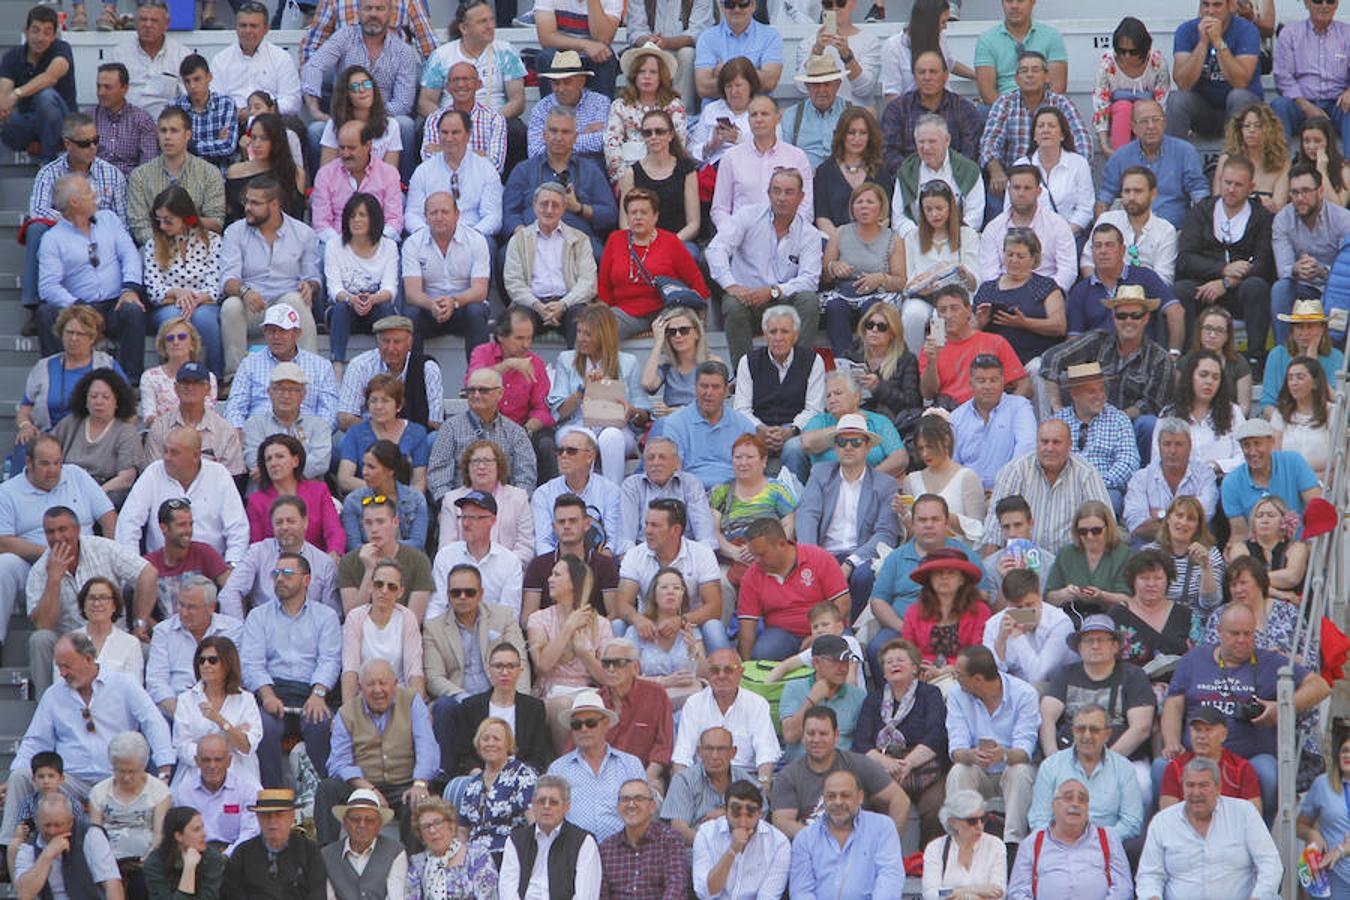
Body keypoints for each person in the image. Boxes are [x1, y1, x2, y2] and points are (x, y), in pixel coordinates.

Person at [2, 632, 173, 847]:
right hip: (69, 780)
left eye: (67, 666)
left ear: (88, 659)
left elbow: (153, 722)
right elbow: (35, 741)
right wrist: (15, 773)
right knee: (21, 777)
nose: (62, 673)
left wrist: (165, 768)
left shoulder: (123, 684)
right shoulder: (54, 695)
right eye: (59, 666)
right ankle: (8, 847)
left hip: (115, 778)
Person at [1163, 603, 1330, 812]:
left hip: (1251, 757)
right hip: (1197, 752)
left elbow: (1320, 686)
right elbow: (1174, 703)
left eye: (1248, 633)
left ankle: (1263, 833)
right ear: (1219, 633)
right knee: (1161, 769)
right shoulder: (1194, 659)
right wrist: (1171, 741)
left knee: (1267, 773)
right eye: (1234, 633)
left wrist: (1281, 707)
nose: (1242, 640)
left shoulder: (1269, 661)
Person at [26, 506, 158, 692]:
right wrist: (54, 579)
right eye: (50, 532)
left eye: (63, 529)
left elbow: (148, 573)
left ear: (77, 530)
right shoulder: (39, 571)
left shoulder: (103, 548)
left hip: (115, 635)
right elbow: (43, 625)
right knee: (39, 639)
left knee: (149, 650)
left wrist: (140, 622)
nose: (57, 537)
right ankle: (47, 707)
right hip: (69, 642)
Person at [1037, 287, 1174, 461]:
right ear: (1113, 318)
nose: (1128, 321)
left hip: (1130, 424)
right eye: (1121, 316)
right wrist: (1057, 408)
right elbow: (1052, 358)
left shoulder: (1160, 358)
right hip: (1087, 419)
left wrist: (1114, 420)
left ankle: (1140, 476)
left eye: (1135, 315)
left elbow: (1152, 405)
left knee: (1149, 424)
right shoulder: (1097, 340)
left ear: (1146, 318)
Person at [239, 553, 341, 787]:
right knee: (264, 727)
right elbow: (252, 662)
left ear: (306, 580)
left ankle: (320, 796)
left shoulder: (326, 616)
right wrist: (266, 695)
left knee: (321, 725)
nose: (279, 579)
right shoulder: (258, 616)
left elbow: (330, 659)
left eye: (287, 574)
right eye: (276, 574)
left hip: (312, 691)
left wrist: (318, 694)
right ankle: (273, 797)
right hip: (273, 691)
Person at [35, 174, 147, 382]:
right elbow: (48, 286)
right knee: (46, 312)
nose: (95, 194)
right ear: (74, 203)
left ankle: (130, 382)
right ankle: (58, 379)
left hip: (114, 303)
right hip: (77, 307)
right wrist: (77, 306)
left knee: (132, 310)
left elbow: (129, 254)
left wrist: (130, 289)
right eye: (88, 192)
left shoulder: (109, 220)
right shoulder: (52, 239)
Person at [315, 662, 438, 848]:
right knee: (327, 789)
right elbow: (338, 763)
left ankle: (414, 868)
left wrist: (420, 783)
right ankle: (325, 858)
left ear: (395, 683)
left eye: (383, 683)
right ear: (359, 687)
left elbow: (427, 746)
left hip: (404, 784)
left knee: (417, 801)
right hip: (362, 785)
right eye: (370, 684)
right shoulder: (346, 713)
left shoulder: (412, 701)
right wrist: (369, 789)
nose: (377, 690)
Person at [22, 112, 129, 324]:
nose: (92, 147)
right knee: (36, 229)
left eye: (96, 141)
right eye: (85, 143)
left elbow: (123, 221)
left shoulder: (112, 173)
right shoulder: (49, 172)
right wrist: (74, 222)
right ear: (68, 144)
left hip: (103, 238)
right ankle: (35, 306)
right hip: (65, 240)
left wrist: (93, 224)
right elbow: (38, 210)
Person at [793, 409, 902, 604]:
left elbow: (886, 533)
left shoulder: (885, 484)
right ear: (835, 448)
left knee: (864, 576)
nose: (848, 447)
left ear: (867, 447)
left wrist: (852, 562)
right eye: (842, 442)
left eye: (856, 442)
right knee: (808, 576)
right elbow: (807, 516)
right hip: (825, 554)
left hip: (862, 555)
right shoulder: (820, 473)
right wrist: (815, 558)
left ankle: (851, 631)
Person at [217, 178, 323, 378]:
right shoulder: (235, 232)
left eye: (255, 203)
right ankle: (235, 376)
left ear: (274, 205)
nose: (247, 208)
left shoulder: (303, 233)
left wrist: (310, 286)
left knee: (297, 300)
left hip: (286, 304)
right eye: (247, 202)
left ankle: (310, 374)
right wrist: (245, 292)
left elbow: (313, 277)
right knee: (231, 305)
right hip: (251, 306)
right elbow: (227, 279)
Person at [1137, 757, 1283, 897]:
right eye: (1190, 785)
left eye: (1203, 785)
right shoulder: (1162, 821)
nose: (1196, 793)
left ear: (1218, 788)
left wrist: (1259, 897)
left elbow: (1270, 863)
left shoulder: (1244, 812)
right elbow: (1149, 876)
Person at [853, 638, 948, 846]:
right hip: (885, 766)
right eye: (889, 662)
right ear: (883, 672)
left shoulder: (930, 694)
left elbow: (936, 734)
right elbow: (861, 743)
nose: (894, 665)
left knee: (935, 805)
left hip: (923, 765)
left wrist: (908, 763)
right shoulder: (873, 699)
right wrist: (888, 764)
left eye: (900, 660)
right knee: (872, 799)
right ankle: (881, 855)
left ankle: (926, 860)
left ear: (914, 667)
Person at [300, 0, 418, 165]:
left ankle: (403, 186)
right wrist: (314, 110)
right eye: (368, 8)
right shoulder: (344, 37)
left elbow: (403, 103)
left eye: (380, 9)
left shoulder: (403, 51)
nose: (373, 14)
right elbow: (313, 65)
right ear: (358, 13)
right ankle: (318, 188)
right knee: (315, 130)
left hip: (383, 118)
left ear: (390, 14)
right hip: (345, 117)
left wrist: (370, 114)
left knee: (405, 125)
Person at [945, 645, 1039, 849]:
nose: (955, 678)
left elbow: (1024, 751)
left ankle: (1013, 844)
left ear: (977, 679)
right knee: (959, 771)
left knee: (1020, 772)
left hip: (1009, 768)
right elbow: (956, 749)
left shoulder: (1024, 694)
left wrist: (1003, 755)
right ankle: (961, 840)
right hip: (977, 770)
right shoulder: (956, 695)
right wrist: (972, 755)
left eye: (958, 675)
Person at [979, 420, 1111, 557]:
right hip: (1022, 561)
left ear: (1070, 445)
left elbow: (1105, 520)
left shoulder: (1086, 473)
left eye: (1056, 442)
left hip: (1072, 564)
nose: (1049, 448)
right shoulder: (1015, 470)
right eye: (1044, 442)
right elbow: (995, 524)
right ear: (1036, 443)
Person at [979, 52, 1092, 212]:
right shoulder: (1005, 103)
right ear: (1016, 79)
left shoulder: (1061, 103)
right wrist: (996, 170)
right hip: (1015, 181)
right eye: (1024, 71)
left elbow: (1083, 142)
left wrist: (1075, 171)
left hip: (1058, 176)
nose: (1029, 75)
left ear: (1046, 76)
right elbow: (989, 142)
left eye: (1035, 70)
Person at [502, 108, 617, 259]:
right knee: (505, 256)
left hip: (578, 242)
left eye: (565, 132)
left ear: (575, 137)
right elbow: (509, 213)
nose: (558, 137)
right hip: (531, 240)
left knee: (599, 255)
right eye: (553, 131)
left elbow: (610, 215)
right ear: (544, 135)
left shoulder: (591, 171)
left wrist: (579, 208)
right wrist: (521, 232)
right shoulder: (523, 170)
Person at [528, 555, 614, 750]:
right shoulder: (539, 619)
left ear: (575, 583)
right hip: (552, 692)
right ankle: (565, 763)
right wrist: (568, 628)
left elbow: (607, 678)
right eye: (551, 574)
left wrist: (584, 653)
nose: (550, 579)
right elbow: (542, 666)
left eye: (557, 575)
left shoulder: (601, 624)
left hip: (589, 692)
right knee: (563, 705)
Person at [598, 187, 708, 338]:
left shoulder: (670, 242)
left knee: (679, 328)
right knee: (599, 330)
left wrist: (697, 316)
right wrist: (606, 312)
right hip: (625, 312)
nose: (638, 217)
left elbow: (696, 281)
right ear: (627, 217)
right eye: (633, 213)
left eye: (644, 212)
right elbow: (604, 285)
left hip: (665, 311)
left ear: (655, 216)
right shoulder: (615, 240)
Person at [735, 518, 849, 662]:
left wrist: (820, 635)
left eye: (762, 554)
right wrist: (746, 667)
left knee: (840, 650)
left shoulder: (819, 558)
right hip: (781, 635)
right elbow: (747, 626)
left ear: (782, 544)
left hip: (825, 627)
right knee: (763, 653)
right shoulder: (752, 576)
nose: (756, 560)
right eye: (754, 555)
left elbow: (843, 602)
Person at [502, 184, 598, 350]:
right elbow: (513, 282)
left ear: (564, 208)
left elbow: (588, 283)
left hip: (569, 303)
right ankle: (517, 372)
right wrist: (538, 306)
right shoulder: (519, 240)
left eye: (555, 205)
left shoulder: (579, 239)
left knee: (582, 319)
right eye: (544, 204)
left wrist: (563, 304)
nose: (549, 210)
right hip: (532, 304)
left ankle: (578, 373)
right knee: (514, 323)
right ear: (534, 206)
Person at [400, 191, 492, 365]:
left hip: (462, 307)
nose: (439, 217)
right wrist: (432, 305)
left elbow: (480, 290)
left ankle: (478, 377)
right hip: (429, 309)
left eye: (445, 212)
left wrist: (453, 302)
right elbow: (412, 294)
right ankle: (412, 378)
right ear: (425, 217)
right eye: (433, 213)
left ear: (457, 214)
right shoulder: (413, 243)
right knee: (410, 314)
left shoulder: (476, 241)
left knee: (476, 310)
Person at [1027, 704, 1143, 840]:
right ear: (1073, 731)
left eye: (1094, 730)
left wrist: (1094, 839)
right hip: (1059, 848)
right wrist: (1063, 840)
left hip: (1106, 846)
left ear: (1107, 734)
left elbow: (1132, 823)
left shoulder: (1124, 768)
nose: (1087, 735)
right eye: (1081, 729)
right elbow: (1038, 819)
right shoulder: (1051, 765)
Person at [141, 197, 225, 385]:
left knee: (204, 318)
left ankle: (214, 379)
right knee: (172, 318)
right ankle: (170, 381)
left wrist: (194, 299)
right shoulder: (153, 245)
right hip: (168, 306)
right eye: (158, 220)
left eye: (168, 220)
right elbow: (155, 292)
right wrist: (178, 293)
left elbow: (216, 287)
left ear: (186, 218)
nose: (162, 226)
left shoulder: (212, 241)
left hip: (204, 302)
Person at [319, 189, 402, 377]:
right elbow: (334, 289)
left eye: (362, 215)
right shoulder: (334, 245)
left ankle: (390, 368)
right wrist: (352, 300)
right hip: (345, 310)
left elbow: (390, 288)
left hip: (377, 308)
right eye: (352, 216)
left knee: (386, 308)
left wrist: (372, 299)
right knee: (339, 308)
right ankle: (337, 366)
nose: (356, 220)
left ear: (374, 219)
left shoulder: (388, 246)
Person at [546, 690, 648, 841]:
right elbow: (550, 816)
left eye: (591, 723)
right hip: (573, 852)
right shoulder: (558, 769)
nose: (584, 729)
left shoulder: (630, 764)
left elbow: (644, 811)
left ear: (606, 724)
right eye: (576, 725)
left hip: (622, 852)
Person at [787, 769, 905, 896]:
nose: (838, 802)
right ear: (823, 799)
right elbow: (801, 891)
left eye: (845, 795)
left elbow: (890, 878)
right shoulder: (805, 838)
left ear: (860, 797)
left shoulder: (882, 827)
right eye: (831, 796)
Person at [1008, 779, 1132, 900]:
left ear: (1088, 808)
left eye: (1082, 800)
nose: (1075, 804)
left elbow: (1123, 888)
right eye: (1068, 798)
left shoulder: (1108, 838)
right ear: (1054, 805)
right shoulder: (1032, 843)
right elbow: (1017, 892)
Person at [672, 649, 781, 786]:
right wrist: (681, 789)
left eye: (729, 670)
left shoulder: (757, 704)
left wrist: (763, 786)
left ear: (740, 673)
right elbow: (682, 756)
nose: (721, 675)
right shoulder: (694, 703)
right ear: (708, 674)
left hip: (746, 780)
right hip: (704, 780)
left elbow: (766, 754)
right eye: (714, 670)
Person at [1096, 100, 1210, 229]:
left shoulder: (1185, 152)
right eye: (1144, 121)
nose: (1151, 126)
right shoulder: (1120, 157)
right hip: (1131, 234)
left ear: (1164, 123)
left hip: (1175, 232)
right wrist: (1101, 231)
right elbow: (1104, 199)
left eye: (1156, 120)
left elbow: (1199, 193)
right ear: (1133, 127)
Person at [710, 96, 814, 235]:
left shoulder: (797, 157)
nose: (759, 119)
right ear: (748, 120)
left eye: (764, 114)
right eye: (754, 115)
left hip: (788, 238)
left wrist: (787, 233)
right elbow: (719, 209)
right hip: (742, 238)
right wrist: (732, 233)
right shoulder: (731, 157)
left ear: (777, 118)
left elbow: (805, 207)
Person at [127, 108, 226, 246]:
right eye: (163, 131)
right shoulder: (140, 176)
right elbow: (139, 226)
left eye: (174, 130)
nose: (167, 136)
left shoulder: (209, 173)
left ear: (187, 135)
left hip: (198, 247)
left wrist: (186, 222)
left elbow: (216, 222)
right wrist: (165, 243)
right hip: (156, 248)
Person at [1273, 166, 1350, 344]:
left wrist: (1322, 270)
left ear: (1321, 191)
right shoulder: (1283, 219)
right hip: (1302, 285)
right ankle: (1283, 352)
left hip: (1336, 289)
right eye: (1295, 193)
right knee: (1280, 288)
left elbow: (1346, 270)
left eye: (1306, 191)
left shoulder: (1343, 219)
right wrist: (1295, 268)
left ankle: (1335, 356)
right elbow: (1282, 269)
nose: (1300, 198)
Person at [1221, 417, 1322, 554]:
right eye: (1246, 445)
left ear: (1271, 442)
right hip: (1257, 557)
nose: (1252, 451)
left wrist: (1308, 546)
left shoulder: (1293, 462)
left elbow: (1317, 507)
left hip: (1298, 548)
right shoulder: (1231, 483)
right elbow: (1240, 533)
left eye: (1257, 444)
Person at [919, 285, 1030, 408]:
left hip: (992, 410)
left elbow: (1024, 385)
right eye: (942, 310)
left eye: (955, 308)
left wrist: (1006, 412)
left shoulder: (995, 342)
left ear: (968, 310)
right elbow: (928, 394)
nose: (948, 315)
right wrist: (932, 361)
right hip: (951, 412)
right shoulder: (931, 347)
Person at [88, 732, 173, 892]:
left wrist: (147, 860)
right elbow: (95, 836)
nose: (126, 778)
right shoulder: (99, 792)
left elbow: (159, 835)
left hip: (145, 861)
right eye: (121, 771)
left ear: (143, 767)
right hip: (107, 863)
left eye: (132, 771)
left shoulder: (159, 791)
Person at [450, 642, 550, 777]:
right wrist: (481, 776)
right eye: (498, 666)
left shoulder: (534, 708)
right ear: (488, 670)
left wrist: (517, 777)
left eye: (511, 666)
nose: (504, 672)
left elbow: (538, 756)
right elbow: (464, 754)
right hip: (480, 777)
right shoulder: (470, 707)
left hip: (520, 779)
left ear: (520, 670)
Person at [1167, 0, 1264, 139]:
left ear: (1231, 6)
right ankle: (1175, 157)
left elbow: (1240, 82)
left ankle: (1236, 158)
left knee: (1238, 96)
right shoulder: (1186, 30)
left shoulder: (1247, 30)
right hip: (1204, 111)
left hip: (1243, 110)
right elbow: (1183, 84)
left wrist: (1218, 41)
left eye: (1217, 5)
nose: (1210, 11)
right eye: (1206, 5)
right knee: (1177, 99)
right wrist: (1202, 43)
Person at [975, 227, 1068, 369]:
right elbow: (969, 331)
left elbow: (1059, 326)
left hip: (1033, 360)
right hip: (993, 363)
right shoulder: (987, 289)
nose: (1013, 260)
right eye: (1009, 254)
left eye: (1020, 256)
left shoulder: (1046, 286)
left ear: (1033, 258)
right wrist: (980, 323)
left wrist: (1024, 323)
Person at [498, 776, 602, 900]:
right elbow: (507, 890)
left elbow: (586, 895)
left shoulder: (584, 842)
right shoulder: (516, 840)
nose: (546, 806)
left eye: (553, 802)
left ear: (566, 807)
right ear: (533, 805)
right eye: (541, 801)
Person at [1051, 363, 1138, 511]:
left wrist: (1095, 483)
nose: (1100, 396)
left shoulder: (1119, 419)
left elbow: (1129, 463)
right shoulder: (1058, 421)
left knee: (1111, 499)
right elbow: (1049, 460)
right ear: (1074, 394)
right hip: (1065, 488)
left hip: (1105, 488)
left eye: (1102, 390)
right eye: (1092, 391)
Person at [48, 369, 140, 509]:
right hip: (64, 487)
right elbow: (46, 450)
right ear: (85, 400)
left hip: (104, 494)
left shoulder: (126, 432)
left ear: (117, 401)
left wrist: (94, 495)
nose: (99, 402)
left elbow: (126, 478)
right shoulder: (70, 423)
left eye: (105, 397)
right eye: (93, 396)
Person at [337, 313, 444, 432]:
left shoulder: (427, 367)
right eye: (385, 341)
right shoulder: (360, 366)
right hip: (371, 437)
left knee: (434, 439)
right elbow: (345, 419)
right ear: (377, 341)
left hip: (416, 439)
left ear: (409, 343)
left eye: (397, 342)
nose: (391, 348)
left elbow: (436, 422)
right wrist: (383, 433)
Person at [405, 111, 499, 245]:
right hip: (432, 238)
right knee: (411, 243)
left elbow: (493, 216)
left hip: (472, 236)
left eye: (455, 132)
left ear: (468, 135)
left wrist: (471, 236)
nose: (449, 138)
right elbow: (412, 214)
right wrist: (429, 235)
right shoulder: (423, 171)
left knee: (488, 244)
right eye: (444, 132)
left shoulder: (486, 169)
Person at [528, 431, 626, 559]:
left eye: (571, 451)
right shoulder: (543, 494)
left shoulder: (610, 491)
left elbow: (612, 541)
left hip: (599, 562)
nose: (563, 455)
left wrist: (595, 564)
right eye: (560, 451)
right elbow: (543, 543)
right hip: (557, 565)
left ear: (590, 457)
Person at [882, 49, 980, 177]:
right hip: (908, 179)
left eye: (933, 72)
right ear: (914, 76)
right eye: (922, 72)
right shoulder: (897, 109)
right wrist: (918, 173)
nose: (927, 77)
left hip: (955, 178)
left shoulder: (964, 109)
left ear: (945, 76)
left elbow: (970, 153)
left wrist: (942, 174)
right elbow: (889, 151)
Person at [451, 717, 537, 860]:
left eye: (496, 739)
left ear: (508, 744)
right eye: (485, 739)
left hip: (510, 855)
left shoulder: (522, 775)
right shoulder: (473, 785)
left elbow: (534, 820)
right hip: (475, 859)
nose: (490, 743)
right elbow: (462, 829)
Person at [691, 779, 791, 899]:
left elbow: (768, 896)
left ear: (760, 813)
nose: (743, 822)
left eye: (750, 814)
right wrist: (732, 851)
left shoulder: (779, 843)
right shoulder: (706, 833)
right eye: (736, 813)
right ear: (725, 811)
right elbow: (705, 893)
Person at [337, 497, 434, 619]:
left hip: (403, 634)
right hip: (361, 634)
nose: (374, 529)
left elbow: (414, 619)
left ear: (395, 522)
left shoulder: (418, 560)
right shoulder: (348, 561)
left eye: (380, 522)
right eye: (368, 523)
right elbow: (352, 618)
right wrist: (369, 571)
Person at [950, 353, 1036, 491]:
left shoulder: (1020, 407)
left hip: (1011, 489)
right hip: (968, 493)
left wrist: (1004, 485)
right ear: (971, 383)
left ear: (1002, 382)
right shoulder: (956, 417)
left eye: (993, 380)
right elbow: (953, 464)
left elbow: (1027, 447)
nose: (988, 386)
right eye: (981, 381)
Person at [340, 559, 425, 699]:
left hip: (398, 698)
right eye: (378, 584)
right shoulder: (355, 617)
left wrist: (418, 711)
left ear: (400, 592)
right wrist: (347, 714)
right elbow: (350, 670)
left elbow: (414, 671)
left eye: (392, 587)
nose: (384, 591)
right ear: (370, 587)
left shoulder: (407, 618)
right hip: (365, 698)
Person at [0, 7, 76, 162]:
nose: (40, 38)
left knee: (46, 96)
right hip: (29, 123)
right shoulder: (12, 56)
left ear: (54, 36)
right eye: (35, 30)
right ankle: (37, 146)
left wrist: (16, 94)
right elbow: (4, 91)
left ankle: (48, 162)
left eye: (47, 32)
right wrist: (3, 105)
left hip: (62, 124)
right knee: (5, 119)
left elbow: (50, 77)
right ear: (26, 31)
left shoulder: (62, 49)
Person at [13, 793, 123, 900]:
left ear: (71, 822)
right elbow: (24, 895)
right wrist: (47, 855)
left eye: (58, 825)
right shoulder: (28, 846)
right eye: (47, 825)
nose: (52, 831)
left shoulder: (90, 835)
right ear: (36, 822)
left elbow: (111, 884)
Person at [245, 434, 344, 554]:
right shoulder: (256, 501)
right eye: (269, 459)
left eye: (280, 456)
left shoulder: (318, 491)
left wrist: (334, 552)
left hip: (319, 562)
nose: (273, 463)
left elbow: (333, 529)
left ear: (295, 461)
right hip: (276, 566)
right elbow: (257, 544)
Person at [1271, 0, 1350, 147]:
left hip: (1337, 105)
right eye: (1318, 1)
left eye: (1330, 1)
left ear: (1337, 4)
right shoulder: (1290, 33)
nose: (1324, 6)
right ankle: (1279, 166)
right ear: (1307, 3)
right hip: (1300, 104)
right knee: (1279, 105)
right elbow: (1283, 77)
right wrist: (1305, 106)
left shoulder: (1348, 34)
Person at [221, 788, 326, 898]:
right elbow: (231, 894)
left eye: (279, 815)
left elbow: (318, 893)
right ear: (258, 817)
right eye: (266, 815)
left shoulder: (309, 851)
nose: (272, 821)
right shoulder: (242, 853)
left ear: (292, 816)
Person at [1082, 168, 1179, 286]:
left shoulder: (1165, 230)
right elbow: (1088, 262)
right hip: (1104, 292)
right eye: (1127, 191)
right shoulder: (1106, 219)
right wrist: (1103, 289)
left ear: (1153, 194)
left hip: (1149, 297)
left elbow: (1164, 278)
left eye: (1138, 191)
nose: (1131, 197)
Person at [778, 635, 867, 762]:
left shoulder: (859, 696)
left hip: (841, 770)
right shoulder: (793, 688)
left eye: (846, 660)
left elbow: (863, 746)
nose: (843, 667)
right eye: (835, 661)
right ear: (816, 663)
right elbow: (790, 736)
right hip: (799, 769)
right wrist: (812, 700)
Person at [335, 378, 430, 498]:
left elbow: (419, 481)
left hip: (405, 501)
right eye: (373, 401)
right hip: (367, 499)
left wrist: (402, 499)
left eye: (385, 401)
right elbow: (344, 479)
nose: (378, 406)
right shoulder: (356, 432)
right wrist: (382, 491)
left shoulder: (416, 432)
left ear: (399, 405)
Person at [1039, 499, 1130, 623]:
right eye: (1083, 531)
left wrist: (1102, 596)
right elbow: (1049, 598)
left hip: (1113, 619)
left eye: (1096, 531)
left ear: (1108, 528)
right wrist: (1066, 593)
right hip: (1071, 619)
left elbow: (1128, 600)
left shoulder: (1123, 554)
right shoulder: (1066, 553)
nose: (1089, 536)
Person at [438, 439, 531, 561]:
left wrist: (500, 567)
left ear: (499, 466)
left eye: (487, 461)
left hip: (507, 572)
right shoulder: (451, 500)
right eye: (475, 461)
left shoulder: (519, 498)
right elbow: (446, 548)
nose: (481, 466)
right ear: (467, 467)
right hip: (464, 572)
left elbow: (526, 547)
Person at [239, 364, 335, 482]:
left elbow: (321, 463)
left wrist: (275, 471)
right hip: (266, 493)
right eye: (280, 389)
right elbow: (254, 461)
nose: (286, 395)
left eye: (293, 390)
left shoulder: (319, 425)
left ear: (303, 394)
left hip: (308, 494)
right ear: (270, 392)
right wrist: (294, 470)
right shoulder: (253, 424)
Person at [1157, 704, 1261, 810]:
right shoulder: (1175, 768)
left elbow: (1253, 815)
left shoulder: (1241, 769)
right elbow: (1168, 814)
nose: (1201, 736)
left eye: (1208, 730)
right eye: (1197, 730)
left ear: (1224, 734)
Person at [1156, 350, 1244, 475]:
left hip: (1221, 482)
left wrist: (1216, 466)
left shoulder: (1233, 412)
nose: (1209, 381)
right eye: (1203, 375)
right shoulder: (1170, 413)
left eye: (1215, 377)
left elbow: (1244, 456)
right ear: (1190, 376)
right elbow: (1157, 460)